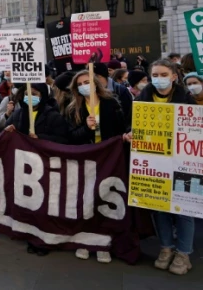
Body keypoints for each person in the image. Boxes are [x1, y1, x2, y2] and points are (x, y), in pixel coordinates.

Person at [125, 59, 196, 274]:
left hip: (183, 163)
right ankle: (166, 248)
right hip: (155, 163)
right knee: (158, 206)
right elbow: (132, 125)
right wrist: (130, 133)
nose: (159, 79)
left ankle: (184, 253)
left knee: (185, 208)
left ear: (174, 76)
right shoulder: (142, 99)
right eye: (155, 74)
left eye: (164, 74)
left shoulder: (187, 100)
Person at [66, 71, 125, 263]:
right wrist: (85, 127)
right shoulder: (73, 109)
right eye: (80, 83)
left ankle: (103, 242)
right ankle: (85, 239)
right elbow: (71, 137)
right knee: (85, 201)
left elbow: (121, 128)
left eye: (87, 81)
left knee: (106, 200)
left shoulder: (111, 103)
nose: (84, 85)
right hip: (86, 159)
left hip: (108, 159)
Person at [4, 83, 70, 256]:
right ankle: (30, 234)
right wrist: (7, 130)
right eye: (27, 93)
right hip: (25, 167)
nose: (30, 96)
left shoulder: (53, 116)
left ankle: (44, 239)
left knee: (45, 203)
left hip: (46, 168)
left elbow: (65, 140)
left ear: (42, 96)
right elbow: (4, 131)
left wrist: (41, 138)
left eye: (34, 93)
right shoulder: (19, 113)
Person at [93, 63, 133, 131]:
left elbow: (129, 114)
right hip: (98, 133)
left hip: (118, 134)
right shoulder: (91, 91)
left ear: (98, 76)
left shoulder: (120, 90)